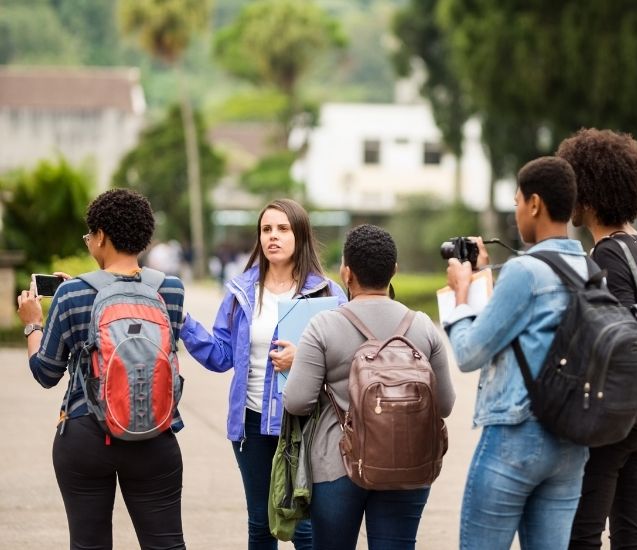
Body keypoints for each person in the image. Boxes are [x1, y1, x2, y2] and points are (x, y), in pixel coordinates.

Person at [16, 189, 187, 549]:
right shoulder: (171, 289)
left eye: (89, 235)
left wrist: (33, 324)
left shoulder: (71, 294)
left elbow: (45, 372)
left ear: (101, 237)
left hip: (86, 436)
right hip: (155, 430)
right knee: (166, 544)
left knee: (88, 544)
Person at [179, 199, 346, 550]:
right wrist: (184, 323)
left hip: (305, 424)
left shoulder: (328, 293)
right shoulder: (241, 292)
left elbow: (349, 359)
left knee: (304, 526)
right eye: (266, 229)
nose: (273, 236)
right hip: (251, 424)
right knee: (260, 524)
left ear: (300, 235)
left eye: (283, 229)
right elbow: (221, 356)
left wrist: (305, 359)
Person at [444, 157, 589, 549]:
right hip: (572, 444)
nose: (517, 212)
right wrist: (485, 280)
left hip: (517, 435)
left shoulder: (526, 271)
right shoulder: (589, 269)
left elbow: (469, 353)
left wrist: (461, 293)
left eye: (517, 203)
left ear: (535, 204)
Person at [282, 224, 456, 550]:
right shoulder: (422, 327)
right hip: (409, 463)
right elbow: (444, 405)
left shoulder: (323, 326)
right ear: (394, 271)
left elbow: (296, 402)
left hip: (337, 465)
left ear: (346, 273)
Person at [556, 128, 637, 549]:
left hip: (617, 418)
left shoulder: (606, 256)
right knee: (630, 537)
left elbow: (617, 336)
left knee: (582, 537)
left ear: (588, 193)